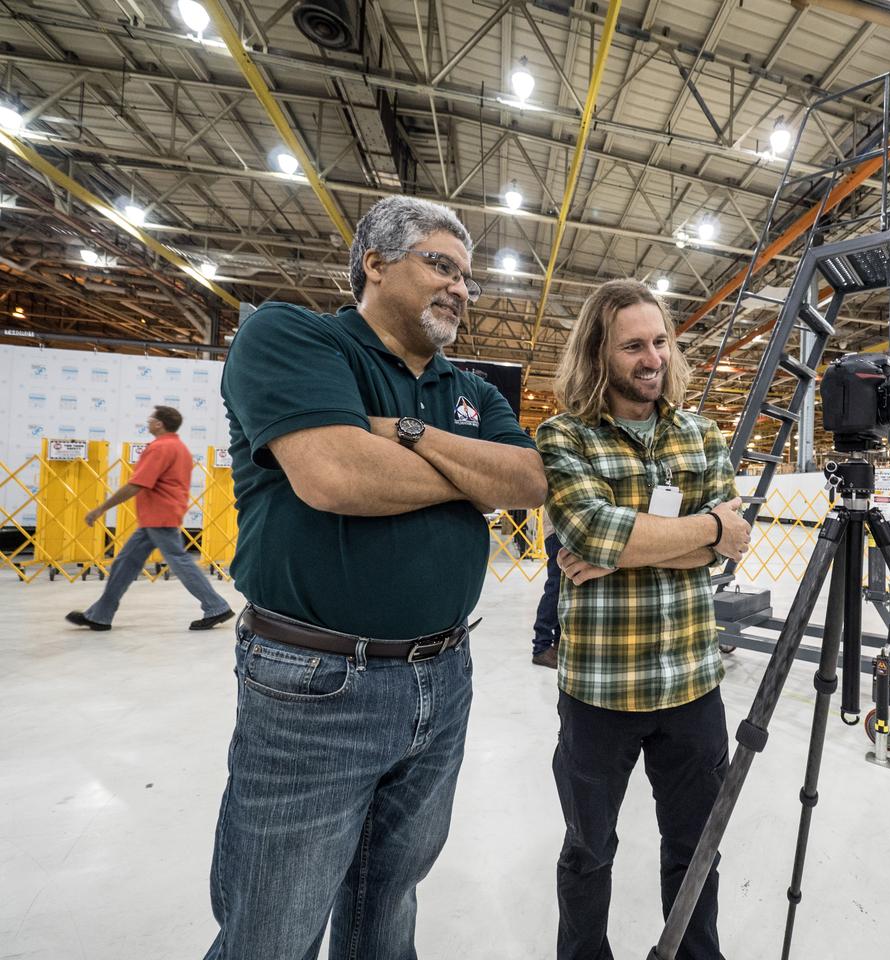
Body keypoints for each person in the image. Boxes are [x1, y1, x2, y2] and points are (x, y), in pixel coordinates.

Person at [206, 196, 546, 958]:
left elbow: (527, 479)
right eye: (441, 264)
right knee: (273, 927)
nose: (460, 287)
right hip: (315, 685)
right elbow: (335, 475)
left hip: (444, 676)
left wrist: (408, 434)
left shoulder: (472, 389)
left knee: (386, 909)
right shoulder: (292, 336)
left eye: (468, 277)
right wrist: (468, 470)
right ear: (376, 262)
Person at [537, 278, 751, 960]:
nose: (651, 358)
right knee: (588, 850)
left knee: (697, 851)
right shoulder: (563, 436)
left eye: (660, 342)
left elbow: (734, 541)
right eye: (633, 346)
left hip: (693, 685)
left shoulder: (702, 432)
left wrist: (620, 550)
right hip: (601, 690)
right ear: (599, 354)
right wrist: (700, 531)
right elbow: (591, 528)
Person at [66, 405, 234, 632]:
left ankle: (216, 606)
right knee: (124, 564)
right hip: (159, 515)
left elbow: (136, 484)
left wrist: (101, 509)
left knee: (179, 561)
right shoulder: (179, 447)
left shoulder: (159, 448)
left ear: (159, 423)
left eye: (151, 419)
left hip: (159, 515)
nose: (148, 422)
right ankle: (100, 615)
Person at [530, 511, 563, 668]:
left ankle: (558, 643)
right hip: (558, 531)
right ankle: (541, 646)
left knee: (562, 588)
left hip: (561, 529)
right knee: (556, 587)